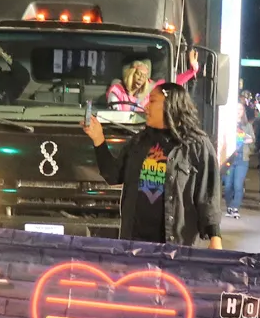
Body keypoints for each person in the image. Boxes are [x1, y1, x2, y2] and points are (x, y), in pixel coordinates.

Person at [83, 82, 222, 248]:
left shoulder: (198, 146)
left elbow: (209, 195)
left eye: (153, 101)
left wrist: (215, 237)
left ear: (171, 105)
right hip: (135, 246)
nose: (146, 107)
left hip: (176, 247)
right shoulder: (139, 142)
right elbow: (113, 175)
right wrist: (98, 139)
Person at [106, 50, 199, 112]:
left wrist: (192, 71)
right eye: (138, 74)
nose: (141, 78)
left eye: (144, 76)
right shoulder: (117, 90)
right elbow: (115, 114)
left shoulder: (151, 89)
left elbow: (173, 82)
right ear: (131, 74)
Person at [223, 105, 253, 217]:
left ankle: (235, 207)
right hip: (229, 158)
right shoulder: (227, 124)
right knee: (228, 185)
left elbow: (252, 140)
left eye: (240, 109)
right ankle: (229, 206)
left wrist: (246, 139)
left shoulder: (247, 125)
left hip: (242, 158)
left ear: (243, 111)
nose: (238, 111)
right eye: (236, 109)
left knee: (238, 185)